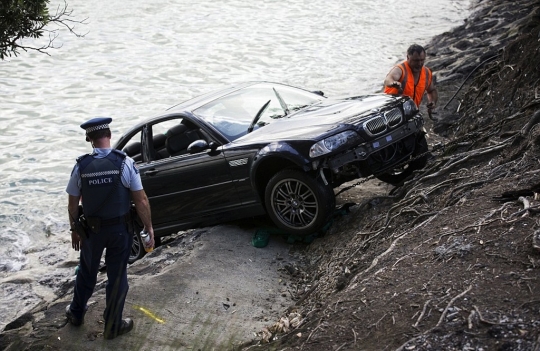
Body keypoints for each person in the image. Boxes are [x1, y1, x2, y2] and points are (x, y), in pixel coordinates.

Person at [65, 117, 154, 340]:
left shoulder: (81, 166)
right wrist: (148, 228)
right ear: (110, 135)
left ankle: (76, 314)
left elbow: (72, 204)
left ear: (89, 139)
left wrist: (74, 229)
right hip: (120, 231)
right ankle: (113, 325)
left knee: (86, 272)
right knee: (117, 276)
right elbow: (141, 200)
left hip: (92, 232)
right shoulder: (126, 163)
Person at [383, 44, 438, 116]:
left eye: (422, 60)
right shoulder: (400, 69)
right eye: (416, 60)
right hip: (392, 114)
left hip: (412, 113)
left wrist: (432, 101)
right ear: (408, 57)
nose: (419, 63)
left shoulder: (427, 73)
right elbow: (388, 79)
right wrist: (392, 83)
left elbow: (431, 90)